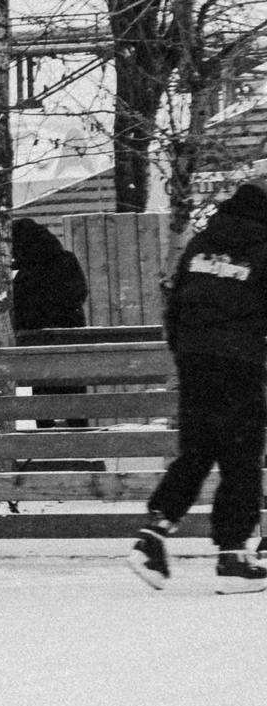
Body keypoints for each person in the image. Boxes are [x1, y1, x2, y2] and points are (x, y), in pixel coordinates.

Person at [127, 177, 267, 592]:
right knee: (241, 458)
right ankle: (232, 557)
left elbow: (175, 305)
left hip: (195, 362)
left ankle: (152, 537)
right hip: (240, 364)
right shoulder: (263, 249)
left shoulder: (199, 246)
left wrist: (187, 353)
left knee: (197, 451)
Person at [11, 217, 90, 333]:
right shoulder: (66, 259)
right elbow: (79, 294)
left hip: (34, 335)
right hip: (69, 331)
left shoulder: (27, 270)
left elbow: (20, 303)